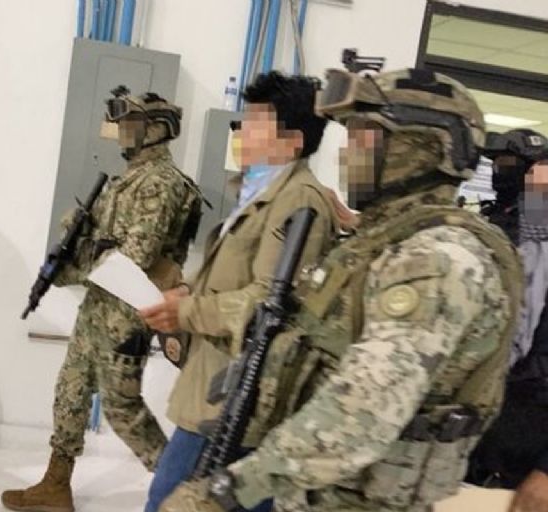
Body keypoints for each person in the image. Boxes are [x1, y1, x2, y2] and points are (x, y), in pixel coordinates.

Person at [160, 67, 523, 512]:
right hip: (321, 491)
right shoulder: (387, 243)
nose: (347, 155)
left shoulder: (438, 261)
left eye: (363, 139)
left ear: (421, 148)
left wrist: (227, 490)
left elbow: (363, 409)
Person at [139, 71, 340, 512]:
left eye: (253, 125)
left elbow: (273, 302)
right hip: (216, 383)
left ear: (291, 141)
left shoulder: (299, 201)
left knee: (170, 500)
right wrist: (185, 292)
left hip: (239, 396)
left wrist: (187, 312)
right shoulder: (260, 191)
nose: (241, 133)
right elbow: (233, 277)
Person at [1, 87, 204, 512]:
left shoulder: (161, 183)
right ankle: (56, 484)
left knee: (121, 406)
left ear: (157, 130)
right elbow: (101, 243)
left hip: (127, 310)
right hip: (99, 306)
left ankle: (185, 491)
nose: (123, 131)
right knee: (71, 389)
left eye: (132, 124)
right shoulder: (125, 181)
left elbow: (135, 256)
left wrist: (81, 255)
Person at [466, 129, 548, 512]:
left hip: (530, 429)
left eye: (512, 165)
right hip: (482, 423)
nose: (502, 172)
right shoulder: (495, 228)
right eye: (497, 164)